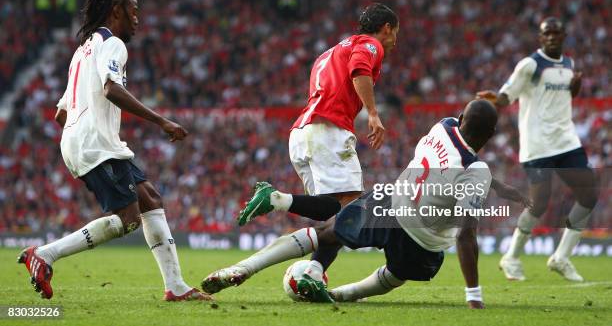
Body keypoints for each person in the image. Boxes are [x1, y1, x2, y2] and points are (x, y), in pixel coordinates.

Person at [203, 100, 526, 308]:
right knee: (397, 276)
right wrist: (473, 295)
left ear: (461, 118)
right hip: (423, 240)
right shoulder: (476, 171)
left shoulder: (442, 127)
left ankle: (243, 267)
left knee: (326, 233)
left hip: (390, 203)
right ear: (493, 134)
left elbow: (460, 167)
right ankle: (341, 295)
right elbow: (466, 235)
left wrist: (498, 185)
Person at [17, 0, 211, 301]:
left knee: (150, 198)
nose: (137, 19)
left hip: (87, 141)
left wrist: (85, 136)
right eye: (133, 11)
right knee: (129, 220)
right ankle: (46, 255)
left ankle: (176, 287)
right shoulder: (113, 43)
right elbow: (111, 90)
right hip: (96, 144)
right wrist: (161, 120)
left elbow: (60, 114)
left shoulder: (82, 51)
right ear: (116, 11)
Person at [236, 3, 399, 291]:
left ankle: (313, 272)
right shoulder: (370, 44)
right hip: (328, 130)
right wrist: (372, 113)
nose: (395, 39)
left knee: (332, 215)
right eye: (395, 32)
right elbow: (359, 70)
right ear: (386, 28)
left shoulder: (330, 51)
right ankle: (278, 201)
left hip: (302, 132)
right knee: (351, 208)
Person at [477, 17, 598, 282]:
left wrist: (574, 87)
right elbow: (508, 95)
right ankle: (510, 257)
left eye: (556, 32)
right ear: (540, 38)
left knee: (589, 195)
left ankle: (561, 257)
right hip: (538, 144)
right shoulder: (530, 65)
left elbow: (565, 96)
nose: (552, 37)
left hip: (567, 140)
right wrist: (494, 99)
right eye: (547, 34)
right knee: (539, 203)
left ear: (564, 35)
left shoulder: (569, 64)